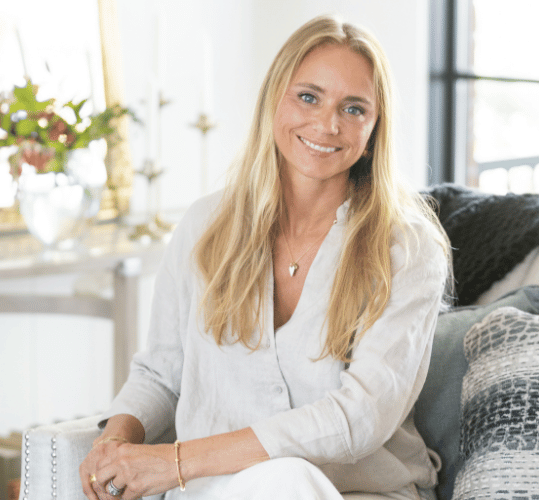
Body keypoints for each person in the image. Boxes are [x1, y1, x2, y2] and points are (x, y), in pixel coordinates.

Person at [80, 14, 451, 500]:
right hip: (210, 493)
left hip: (356, 493)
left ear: (374, 129)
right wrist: (114, 446)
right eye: (309, 96)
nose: (327, 123)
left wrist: (174, 462)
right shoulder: (204, 226)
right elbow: (160, 374)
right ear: (274, 98)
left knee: (285, 480)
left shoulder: (407, 248)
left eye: (354, 108)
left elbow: (360, 417)